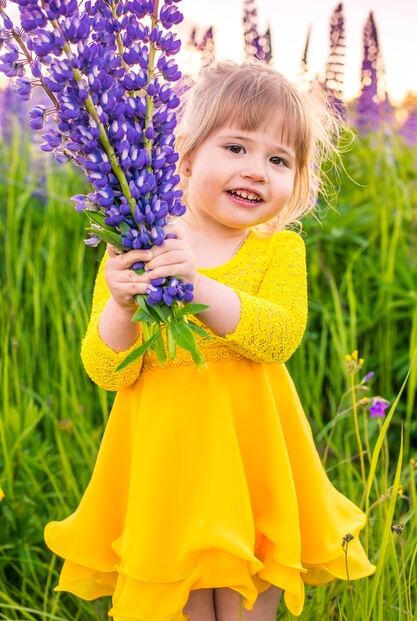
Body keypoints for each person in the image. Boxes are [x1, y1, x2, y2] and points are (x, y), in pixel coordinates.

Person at [44, 60, 375, 621]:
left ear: (297, 179)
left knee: (249, 600)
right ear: (188, 154)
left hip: (253, 462)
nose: (256, 171)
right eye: (237, 148)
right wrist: (123, 306)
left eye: (278, 160)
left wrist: (198, 283)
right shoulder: (139, 240)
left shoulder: (278, 251)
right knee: (186, 604)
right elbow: (106, 368)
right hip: (170, 462)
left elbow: (280, 336)